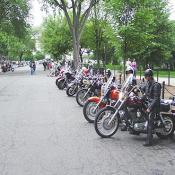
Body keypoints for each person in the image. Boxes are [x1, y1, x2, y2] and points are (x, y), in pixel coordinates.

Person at [142, 69, 161, 146]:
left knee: (150, 121)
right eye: (145, 76)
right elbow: (143, 89)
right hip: (148, 102)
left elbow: (156, 99)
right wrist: (135, 88)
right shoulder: (148, 83)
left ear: (150, 76)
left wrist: (149, 108)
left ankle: (149, 141)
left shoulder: (156, 85)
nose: (146, 77)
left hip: (154, 105)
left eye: (146, 76)